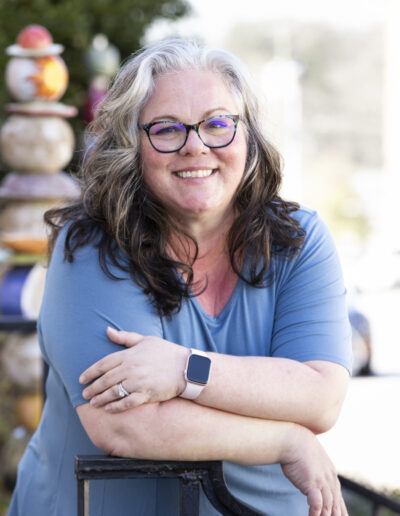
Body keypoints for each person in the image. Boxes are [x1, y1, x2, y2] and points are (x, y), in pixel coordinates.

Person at [8, 38, 352, 516]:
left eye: (217, 124)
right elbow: (124, 424)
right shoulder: (91, 245)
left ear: (248, 136)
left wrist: (184, 370)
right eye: (167, 129)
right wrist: (286, 441)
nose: (196, 145)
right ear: (133, 146)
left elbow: (320, 398)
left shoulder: (298, 239)